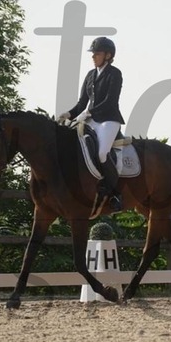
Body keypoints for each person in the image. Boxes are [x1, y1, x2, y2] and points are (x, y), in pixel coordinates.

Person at [58, 37, 124, 212]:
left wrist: (89, 113)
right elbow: (82, 103)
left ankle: (115, 193)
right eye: (93, 54)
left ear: (108, 55)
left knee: (102, 153)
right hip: (90, 118)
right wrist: (68, 114)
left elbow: (110, 101)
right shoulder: (90, 75)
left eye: (97, 53)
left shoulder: (114, 74)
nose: (93, 56)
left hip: (109, 120)